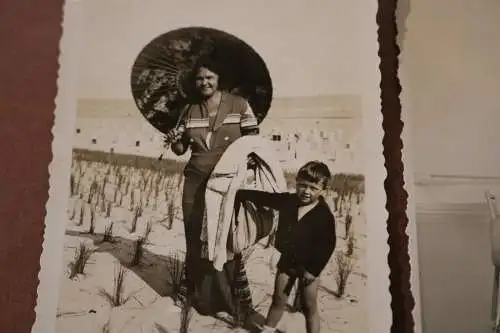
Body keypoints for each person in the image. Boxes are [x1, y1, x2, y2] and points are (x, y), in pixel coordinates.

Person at [166, 54, 260, 322]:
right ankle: (196, 294)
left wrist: (244, 176)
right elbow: (181, 149)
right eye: (199, 78)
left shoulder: (240, 105)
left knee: (226, 241)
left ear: (219, 79)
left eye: (209, 77)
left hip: (227, 183)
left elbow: (254, 144)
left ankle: (232, 299)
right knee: (195, 238)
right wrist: (174, 140)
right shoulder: (189, 110)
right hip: (194, 183)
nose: (204, 82)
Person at [234, 161, 337, 333]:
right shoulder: (289, 201)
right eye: (302, 185)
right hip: (288, 261)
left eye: (313, 188)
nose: (306, 191)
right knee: (278, 300)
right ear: (296, 182)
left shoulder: (323, 215)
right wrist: (241, 193)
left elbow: (327, 245)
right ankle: (267, 329)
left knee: (309, 306)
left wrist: (312, 270)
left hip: (309, 267)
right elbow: (267, 198)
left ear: (323, 190)